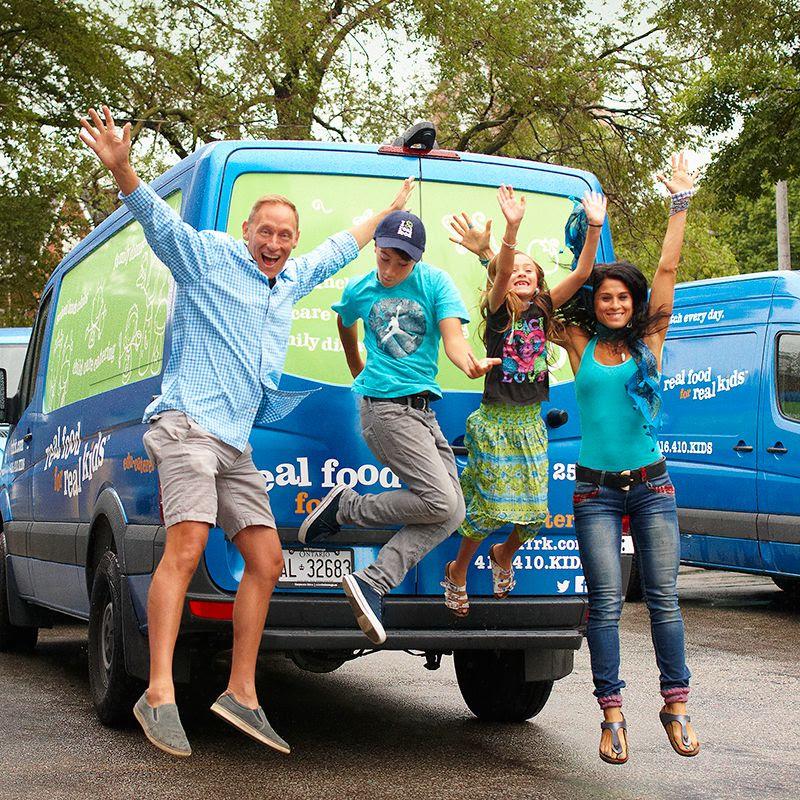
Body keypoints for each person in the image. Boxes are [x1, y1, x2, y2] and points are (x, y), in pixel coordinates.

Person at [78, 105, 415, 757]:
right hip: (184, 427)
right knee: (187, 545)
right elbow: (157, 220)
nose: (276, 243)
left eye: (285, 234)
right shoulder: (206, 258)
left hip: (232, 442)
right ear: (246, 229)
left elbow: (345, 241)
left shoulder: (291, 278)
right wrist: (122, 170)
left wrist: (396, 185)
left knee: (267, 559)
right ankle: (158, 693)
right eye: (266, 232)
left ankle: (241, 692)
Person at [296, 209, 500, 645]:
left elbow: (453, 338)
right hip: (385, 410)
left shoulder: (434, 283)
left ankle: (372, 577)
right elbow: (344, 318)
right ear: (376, 248)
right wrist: (358, 368)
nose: (389, 270)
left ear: (417, 260)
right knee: (442, 501)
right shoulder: (361, 288)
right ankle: (348, 513)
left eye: (401, 263)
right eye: (384, 258)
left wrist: (468, 363)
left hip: (423, 411)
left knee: (454, 512)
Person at [558, 152, 700, 763]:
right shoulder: (576, 339)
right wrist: (588, 236)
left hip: (652, 486)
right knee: (606, 605)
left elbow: (668, 265)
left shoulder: (651, 340)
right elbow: (535, 302)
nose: (614, 304)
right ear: (595, 301)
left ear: (634, 303)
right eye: (606, 296)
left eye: (623, 297)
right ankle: (611, 715)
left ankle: (676, 705)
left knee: (664, 599)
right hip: (593, 489)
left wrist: (679, 202)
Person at [441, 186, 607, 615]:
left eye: (529, 271)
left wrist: (593, 227)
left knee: (533, 515)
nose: (520, 273)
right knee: (488, 510)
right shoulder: (499, 312)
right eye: (514, 269)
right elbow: (498, 274)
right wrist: (511, 229)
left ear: (539, 283)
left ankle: (504, 555)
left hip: (530, 424)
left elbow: (585, 270)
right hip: (495, 424)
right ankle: (458, 570)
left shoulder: (545, 307)